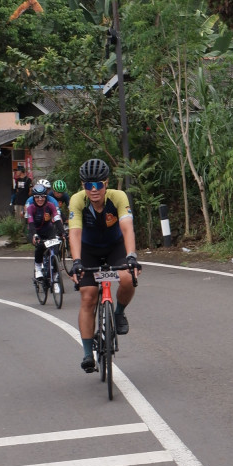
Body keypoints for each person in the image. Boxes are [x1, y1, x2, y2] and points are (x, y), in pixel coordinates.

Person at [68, 159, 140, 373]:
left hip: (114, 247)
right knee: (88, 296)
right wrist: (77, 262)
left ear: (106, 183)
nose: (94, 189)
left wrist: (131, 256)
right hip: (88, 250)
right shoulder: (77, 200)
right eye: (88, 185)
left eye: (98, 184)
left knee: (128, 278)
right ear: (83, 186)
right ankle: (87, 354)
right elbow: (75, 233)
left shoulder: (118, 197)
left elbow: (127, 227)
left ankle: (118, 312)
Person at [24, 180, 63, 278]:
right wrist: (34, 235)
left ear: (46, 197)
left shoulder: (51, 205)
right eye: (37, 197)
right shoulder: (31, 208)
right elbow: (31, 223)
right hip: (35, 231)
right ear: (34, 197)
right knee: (40, 246)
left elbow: (57, 219)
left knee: (56, 249)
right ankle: (38, 267)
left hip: (48, 230)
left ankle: (55, 275)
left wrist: (63, 232)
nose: (40, 199)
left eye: (42, 196)